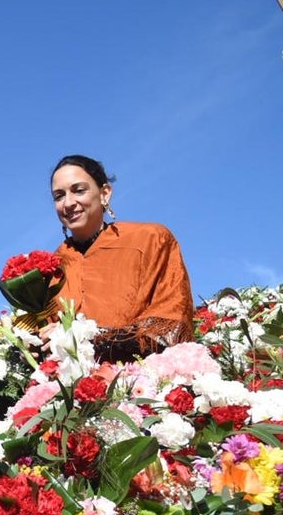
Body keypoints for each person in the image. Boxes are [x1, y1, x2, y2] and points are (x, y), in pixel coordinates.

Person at [49, 154, 194, 362]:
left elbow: (171, 322)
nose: (68, 203)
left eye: (79, 190)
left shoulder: (151, 240)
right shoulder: (48, 270)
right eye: (59, 196)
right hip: (67, 387)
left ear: (104, 193)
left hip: (141, 381)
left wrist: (90, 339)